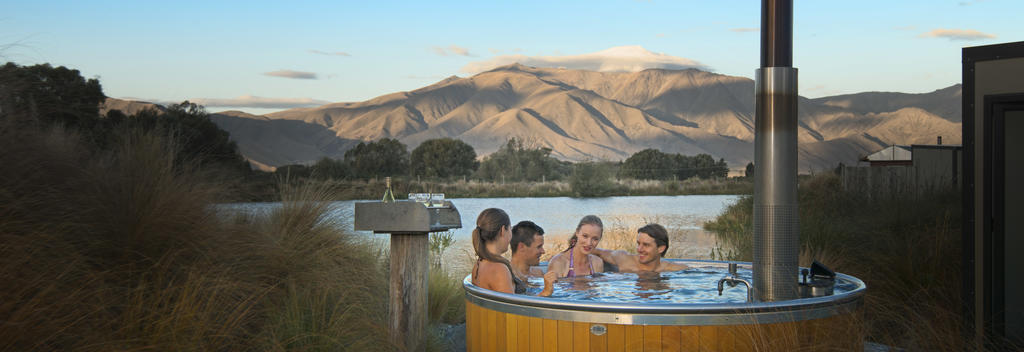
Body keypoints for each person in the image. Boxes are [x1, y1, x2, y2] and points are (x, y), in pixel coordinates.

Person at [471, 208, 554, 296]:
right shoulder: (499, 269)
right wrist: (545, 292)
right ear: (503, 230)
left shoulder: (479, 264)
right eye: (510, 229)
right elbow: (511, 307)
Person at [590, 223, 690, 273]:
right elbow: (597, 252)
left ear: (661, 248)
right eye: (638, 244)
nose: (639, 249)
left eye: (646, 245)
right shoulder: (623, 259)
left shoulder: (673, 269)